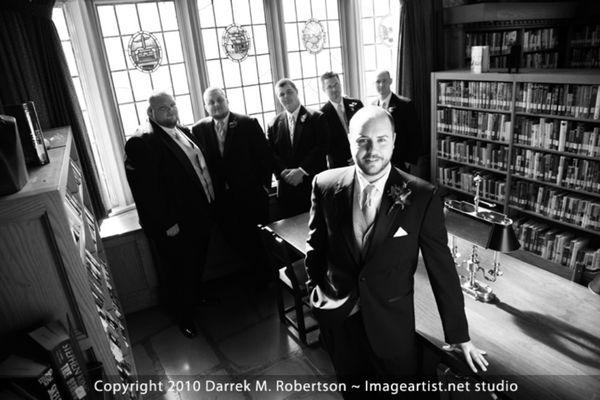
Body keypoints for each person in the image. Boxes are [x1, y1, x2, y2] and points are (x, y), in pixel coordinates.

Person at [305, 106, 488, 399]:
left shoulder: (423, 196)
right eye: (363, 140)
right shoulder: (324, 184)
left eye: (381, 140)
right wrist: (316, 294)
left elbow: (442, 269)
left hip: (392, 328)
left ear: (393, 140)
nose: (371, 150)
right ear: (350, 140)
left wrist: (459, 335)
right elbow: (315, 248)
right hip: (340, 324)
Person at [124, 91, 217, 339]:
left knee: (195, 264)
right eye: (164, 108)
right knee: (178, 271)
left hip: (199, 215)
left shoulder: (182, 132)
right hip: (175, 224)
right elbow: (147, 191)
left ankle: (194, 299)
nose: (171, 110)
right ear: (151, 113)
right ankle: (184, 317)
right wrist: (168, 223)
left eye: (173, 105)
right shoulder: (142, 141)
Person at [192, 87, 272, 285]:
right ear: (205, 106)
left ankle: (265, 281)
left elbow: (265, 157)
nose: (216, 104)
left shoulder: (248, 123)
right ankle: (251, 279)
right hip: (222, 200)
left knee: (257, 241)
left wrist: (264, 187)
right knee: (235, 241)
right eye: (211, 102)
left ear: (227, 100)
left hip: (251, 197)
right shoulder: (198, 129)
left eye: (219, 100)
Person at [267, 78, 328, 218]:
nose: (286, 97)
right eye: (281, 94)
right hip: (287, 189)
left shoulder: (317, 118)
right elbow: (271, 154)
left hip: (312, 184)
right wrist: (283, 173)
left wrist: (301, 171)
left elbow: (321, 148)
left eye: (289, 92)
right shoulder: (273, 124)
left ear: (297, 92)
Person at [373, 70, 423, 172]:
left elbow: (415, 134)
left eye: (384, 81)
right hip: (380, 163)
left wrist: (408, 161)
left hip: (400, 162)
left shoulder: (405, 104)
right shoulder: (372, 106)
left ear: (390, 81)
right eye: (378, 82)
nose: (381, 85)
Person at [319, 71, 364, 168]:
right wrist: (350, 157)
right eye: (329, 87)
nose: (334, 89)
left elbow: (366, 131)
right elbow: (326, 146)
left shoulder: (357, 104)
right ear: (323, 90)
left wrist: (358, 154)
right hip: (339, 165)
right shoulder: (321, 115)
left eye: (336, 84)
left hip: (362, 159)